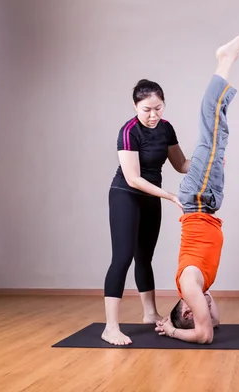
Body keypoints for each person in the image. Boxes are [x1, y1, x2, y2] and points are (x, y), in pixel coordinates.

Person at [154, 33, 239, 344]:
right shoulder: (199, 286)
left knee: (212, 122)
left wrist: (171, 330)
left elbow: (206, 334)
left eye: (200, 312)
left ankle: (225, 59)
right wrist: (203, 315)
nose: (210, 311)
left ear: (187, 312)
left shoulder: (189, 285)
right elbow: (216, 322)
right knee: (218, 133)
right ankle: (225, 61)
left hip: (198, 199)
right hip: (207, 199)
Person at [102, 79, 190, 346]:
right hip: (126, 195)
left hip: (152, 198)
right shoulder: (128, 131)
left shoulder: (166, 129)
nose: (153, 115)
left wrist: (209, 159)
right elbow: (133, 179)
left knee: (145, 257)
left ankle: (150, 314)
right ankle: (111, 327)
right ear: (135, 106)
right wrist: (171, 196)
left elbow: (182, 164)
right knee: (123, 258)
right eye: (146, 109)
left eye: (158, 108)